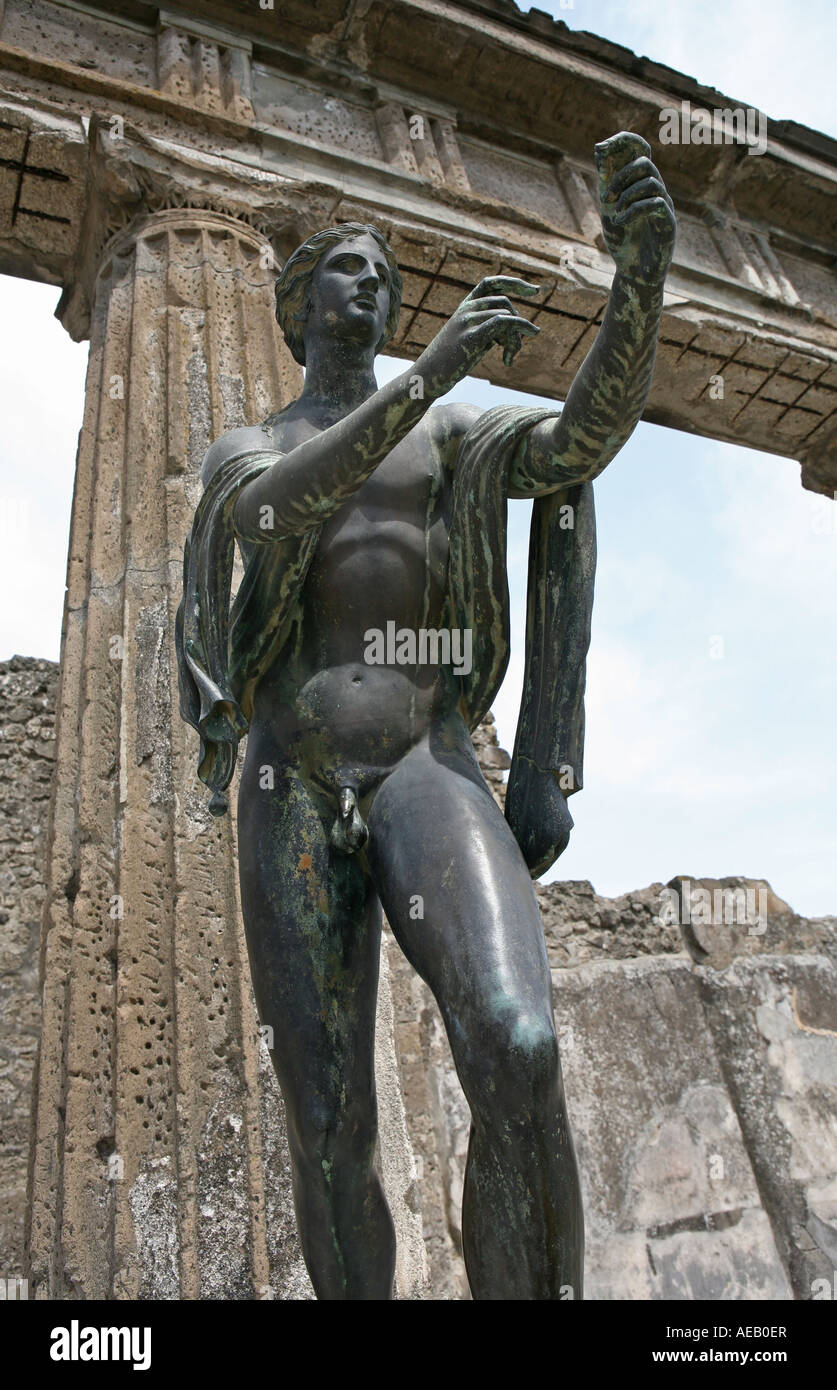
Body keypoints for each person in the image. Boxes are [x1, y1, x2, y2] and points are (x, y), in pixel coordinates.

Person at [176, 130, 676, 1299]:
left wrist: (639, 280)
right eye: (351, 266)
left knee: (518, 1041)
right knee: (330, 1124)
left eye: (388, 274)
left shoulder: (449, 433)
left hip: (423, 760)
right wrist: (433, 369)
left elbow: (579, 443)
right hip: (288, 777)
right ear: (301, 306)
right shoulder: (254, 441)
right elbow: (272, 517)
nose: (379, 283)